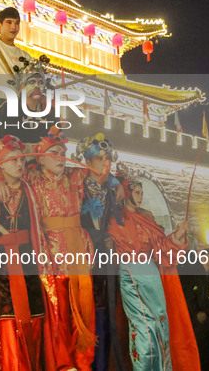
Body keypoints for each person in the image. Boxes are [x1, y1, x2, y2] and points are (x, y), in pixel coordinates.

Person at [108, 176, 200, 371]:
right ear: (127, 192)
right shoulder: (116, 217)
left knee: (160, 321)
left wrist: (177, 235)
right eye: (137, 192)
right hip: (131, 272)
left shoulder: (147, 217)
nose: (141, 196)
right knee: (142, 325)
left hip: (151, 272)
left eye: (142, 192)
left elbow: (160, 246)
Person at [0, 136, 55, 369]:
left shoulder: (31, 188)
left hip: (28, 256)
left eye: (21, 160)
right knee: (8, 314)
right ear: (0, 166)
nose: (19, 165)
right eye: (12, 161)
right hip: (0, 260)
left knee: (35, 311)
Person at [28, 128, 96, 369]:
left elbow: (99, 172)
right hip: (52, 249)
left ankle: (83, 360)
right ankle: (63, 364)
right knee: (58, 309)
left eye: (62, 153)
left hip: (77, 243)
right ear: (41, 158)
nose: (59, 157)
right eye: (53, 153)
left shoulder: (76, 177)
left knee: (84, 305)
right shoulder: (32, 179)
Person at [76, 133, 124, 371]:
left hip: (107, 260)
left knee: (106, 316)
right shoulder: (77, 187)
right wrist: (97, 238)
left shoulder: (112, 190)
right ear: (87, 162)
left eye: (108, 158)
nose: (106, 163)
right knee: (88, 315)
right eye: (99, 158)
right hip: (83, 257)